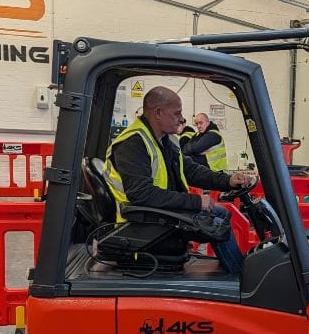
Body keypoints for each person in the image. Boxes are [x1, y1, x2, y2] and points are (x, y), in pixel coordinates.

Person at [103, 87, 251, 275]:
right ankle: (240, 277)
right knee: (216, 221)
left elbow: (191, 171)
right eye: (177, 113)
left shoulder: (166, 140)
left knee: (220, 213)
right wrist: (196, 202)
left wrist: (228, 181)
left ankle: (236, 274)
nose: (182, 119)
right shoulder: (133, 143)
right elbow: (141, 194)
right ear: (158, 113)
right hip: (142, 222)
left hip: (161, 212)